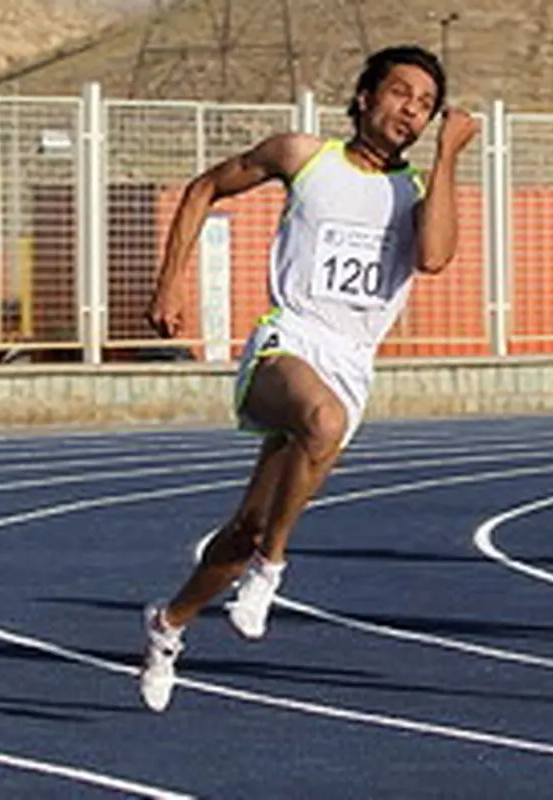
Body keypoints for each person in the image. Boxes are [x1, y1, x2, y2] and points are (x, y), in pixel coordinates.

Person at [138, 45, 480, 711]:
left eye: (425, 105)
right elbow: (204, 188)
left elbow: (435, 257)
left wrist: (448, 156)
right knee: (321, 423)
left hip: (351, 362)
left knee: (247, 525)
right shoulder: (303, 156)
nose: (410, 110)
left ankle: (168, 624)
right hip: (287, 338)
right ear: (364, 97)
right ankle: (272, 568)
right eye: (400, 93)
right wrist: (169, 282)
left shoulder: (416, 192)